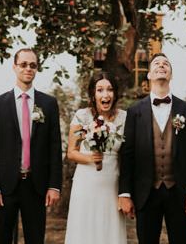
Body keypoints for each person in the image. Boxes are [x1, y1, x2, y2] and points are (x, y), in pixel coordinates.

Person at [118, 53, 186, 244]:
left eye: (166, 64)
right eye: (156, 63)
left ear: (171, 75)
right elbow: (127, 155)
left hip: (179, 191)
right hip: (145, 192)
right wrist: (125, 193)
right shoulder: (134, 112)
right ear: (148, 75)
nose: (161, 65)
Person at [0, 47, 62, 244]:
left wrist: (54, 185)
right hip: (5, 186)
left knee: (35, 239)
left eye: (33, 65)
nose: (28, 69)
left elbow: (54, 147)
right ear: (14, 67)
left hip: (36, 186)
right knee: (2, 239)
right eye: (23, 64)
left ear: (37, 69)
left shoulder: (49, 104)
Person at [64, 72, 127, 244]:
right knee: (85, 232)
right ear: (93, 94)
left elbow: (127, 157)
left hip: (112, 185)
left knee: (109, 232)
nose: (105, 94)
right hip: (86, 184)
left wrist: (126, 192)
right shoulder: (82, 116)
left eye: (110, 90)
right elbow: (71, 152)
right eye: (100, 90)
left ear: (115, 94)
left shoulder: (124, 117)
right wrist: (91, 158)